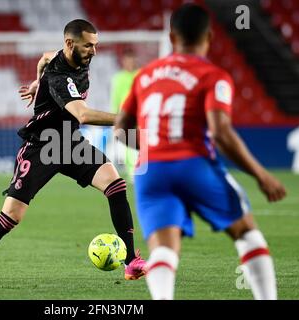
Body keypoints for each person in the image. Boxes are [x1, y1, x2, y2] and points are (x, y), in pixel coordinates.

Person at [0, 19, 146, 281]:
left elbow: (43, 58)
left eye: (95, 45)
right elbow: (83, 115)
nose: (94, 52)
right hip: (41, 146)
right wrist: (128, 119)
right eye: (88, 46)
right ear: (70, 43)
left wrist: (35, 82)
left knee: (115, 184)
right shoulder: (59, 76)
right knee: (11, 217)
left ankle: (131, 261)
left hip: (69, 143)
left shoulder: (65, 58)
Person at [114, 4, 286, 299]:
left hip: (151, 171)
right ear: (209, 37)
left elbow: (120, 129)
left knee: (164, 248)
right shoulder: (214, 76)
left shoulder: (145, 76)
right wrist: (260, 175)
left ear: (170, 36)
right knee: (246, 233)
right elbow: (220, 133)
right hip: (194, 164)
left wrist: (153, 148)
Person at [110, 49, 139, 181]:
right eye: (128, 61)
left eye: (132, 61)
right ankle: (132, 171)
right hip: (123, 116)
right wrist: (114, 117)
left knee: (136, 143)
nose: (130, 63)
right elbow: (115, 98)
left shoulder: (139, 75)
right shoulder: (118, 78)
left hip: (137, 115)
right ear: (124, 62)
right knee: (127, 144)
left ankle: (136, 170)